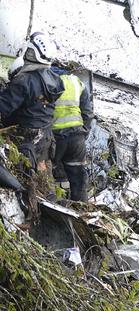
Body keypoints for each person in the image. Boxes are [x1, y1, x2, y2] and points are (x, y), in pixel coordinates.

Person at [0, 33, 64, 174]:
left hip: (24, 136)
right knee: (44, 182)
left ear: (31, 53)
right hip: (45, 136)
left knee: (21, 178)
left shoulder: (25, 80)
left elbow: (3, 107)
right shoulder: (55, 79)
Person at [51, 67, 93, 201]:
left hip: (55, 137)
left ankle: (52, 207)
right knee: (78, 177)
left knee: (51, 174)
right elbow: (87, 113)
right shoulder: (77, 82)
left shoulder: (48, 80)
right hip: (77, 137)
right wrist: (83, 133)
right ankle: (80, 211)